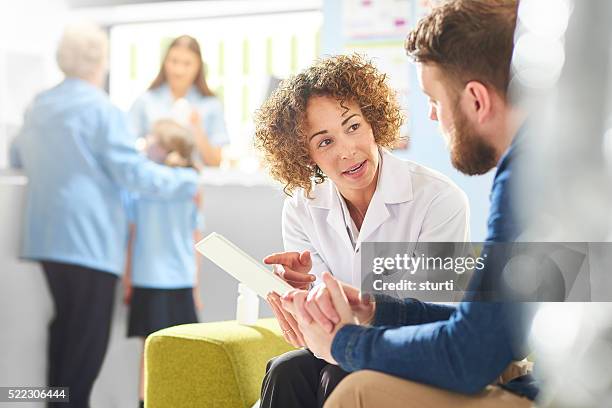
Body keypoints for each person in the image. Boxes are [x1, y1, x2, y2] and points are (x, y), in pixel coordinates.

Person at [279, 1, 537, 407]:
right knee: (288, 372)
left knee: (352, 388)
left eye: (434, 99)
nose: (433, 117)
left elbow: (469, 351)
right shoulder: (544, 166)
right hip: (520, 371)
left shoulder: (525, 179)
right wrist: (373, 309)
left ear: (475, 99)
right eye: (325, 140)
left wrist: (347, 343)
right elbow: (496, 326)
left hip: (546, 387)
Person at [253, 54, 470, 408]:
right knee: (283, 371)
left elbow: (432, 316)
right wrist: (299, 298)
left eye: (353, 126)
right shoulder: (301, 208)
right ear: (306, 156)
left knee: (340, 376)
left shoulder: (438, 199)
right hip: (343, 347)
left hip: (414, 353)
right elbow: (321, 329)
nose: (347, 150)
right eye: (325, 142)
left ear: (372, 121)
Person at [9, 24, 199, 408]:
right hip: (89, 241)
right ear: (99, 62)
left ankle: (56, 403)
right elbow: (133, 172)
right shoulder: (101, 109)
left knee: (65, 333)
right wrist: (184, 181)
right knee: (86, 343)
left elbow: (17, 156)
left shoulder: (39, 106)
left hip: (46, 238)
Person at [123, 119, 204, 408]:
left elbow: (132, 237)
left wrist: (128, 280)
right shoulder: (192, 183)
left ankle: (146, 403)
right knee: (177, 350)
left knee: (150, 352)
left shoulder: (138, 186)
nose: (146, 143)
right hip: (180, 278)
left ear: (167, 148)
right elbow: (196, 238)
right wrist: (195, 287)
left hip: (148, 278)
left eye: (152, 140)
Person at [129, 35, 229, 167]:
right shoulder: (146, 101)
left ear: (198, 66)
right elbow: (126, 147)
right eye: (174, 61)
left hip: (196, 184)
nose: (179, 70)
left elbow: (216, 162)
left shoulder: (211, 104)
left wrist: (197, 129)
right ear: (165, 62)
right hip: (155, 182)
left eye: (187, 64)